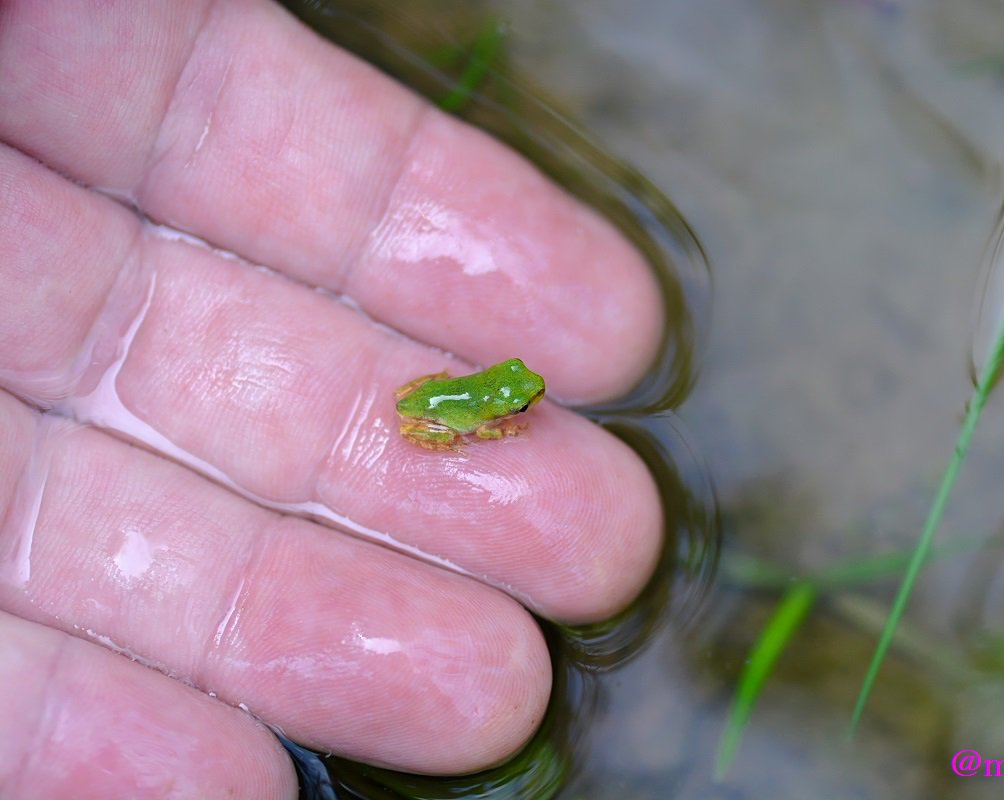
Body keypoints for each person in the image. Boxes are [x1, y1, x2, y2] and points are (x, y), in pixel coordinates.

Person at [0, 1, 664, 796]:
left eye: (520, 396)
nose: (524, 400)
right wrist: (468, 430)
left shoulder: (494, 393)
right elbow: (443, 409)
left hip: (441, 395)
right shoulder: (490, 409)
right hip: (435, 409)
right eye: (521, 399)